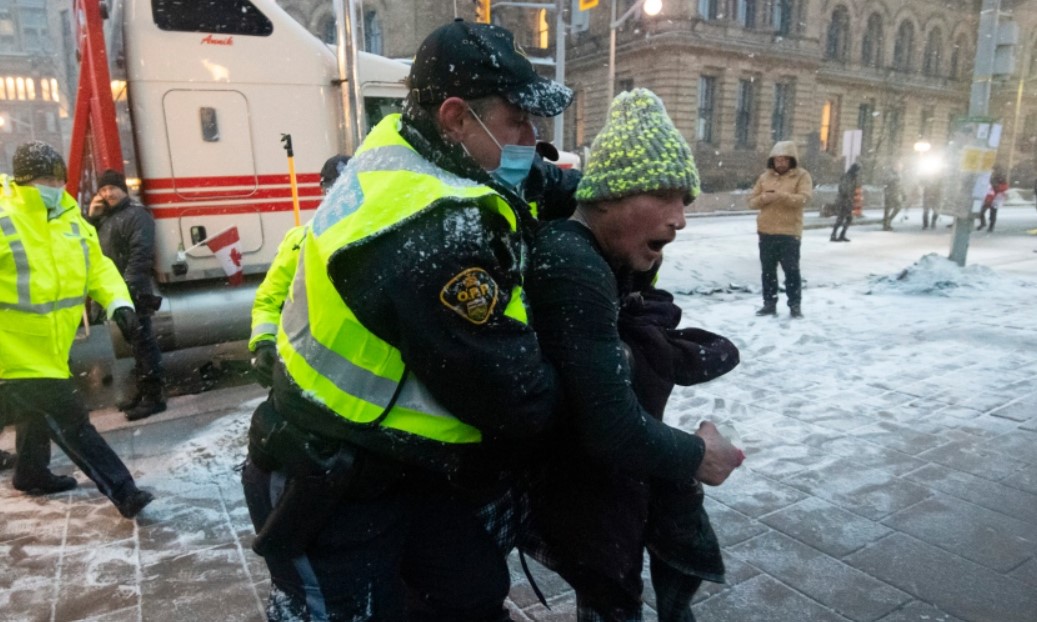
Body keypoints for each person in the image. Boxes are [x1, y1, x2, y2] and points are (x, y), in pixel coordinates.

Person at [240, 19, 572, 621]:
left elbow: (530, 178)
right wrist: (606, 374)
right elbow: (514, 396)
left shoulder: (404, 142)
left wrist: (598, 189)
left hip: (394, 460)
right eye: (519, 118)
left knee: (468, 592)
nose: (533, 135)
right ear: (454, 116)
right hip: (330, 480)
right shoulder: (435, 231)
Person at [520, 88, 744, 622]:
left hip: (594, 482)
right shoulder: (573, 261)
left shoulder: (603, 254)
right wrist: (696, 455)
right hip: (577, 487)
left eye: (685, 202)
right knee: (610, 595)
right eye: (665, 196)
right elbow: (610, 426)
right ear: (608, 196)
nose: (680, 219)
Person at [0, 141, 154, 518]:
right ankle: (125, 492)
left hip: (50, 351)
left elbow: (98, 268)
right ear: (22, 180)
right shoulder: (4, 218)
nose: (53, 184)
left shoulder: (72, 219)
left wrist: (119, 303)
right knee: (71, 423)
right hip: (13, 354)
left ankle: (31, 473)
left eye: (57, 178)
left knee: (35, 414)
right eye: (44, 178)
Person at [249, 155, 350, 387]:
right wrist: (264, 343)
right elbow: (269, 299)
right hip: (309, 376)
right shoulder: (300, 240)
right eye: (333, 189)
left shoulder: (378, 238)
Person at [89, 169, 166, 421]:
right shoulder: (108, 218)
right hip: (121, 294)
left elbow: (140, 254)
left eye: (113, 188)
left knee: (144, 345)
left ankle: (154, 398)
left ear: (124, 189)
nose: (108, 193)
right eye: (103, 189)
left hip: (132, 292)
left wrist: (127, 289)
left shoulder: (136, 215)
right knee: (136, 346)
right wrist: (92, 218)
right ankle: (145, 393)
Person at [748, 140, 813, 318]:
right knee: (768, 271)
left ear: (792, 160)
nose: (780, 163)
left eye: (784, 159)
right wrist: (763, 198)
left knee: (791, 271)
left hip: (789, 233)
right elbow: (751, 202)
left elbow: (805, 199)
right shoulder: (764, 177)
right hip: (766, 231)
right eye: (777, 160)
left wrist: (781, 196)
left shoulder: (802, 176)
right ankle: (769, 304)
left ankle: (794, 305)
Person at [831, 162, 861, 242]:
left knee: (848, 219)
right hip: (843, 201)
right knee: (841, 219)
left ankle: (841, 234)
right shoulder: (847, 177)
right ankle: (833, 235)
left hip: (848, 201)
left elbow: (853, 189)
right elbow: (844, 189)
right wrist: (848, 197)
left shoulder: (853, 178)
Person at [977, 165, 1008, 232]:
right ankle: (984, 224)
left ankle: (990, 226)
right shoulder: (990, 176)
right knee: (982, 212)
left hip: (995, 198)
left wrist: (995, 187)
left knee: (992, 213)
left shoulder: (1000, 178)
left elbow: (1003, 187)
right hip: (989, 197)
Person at [882, 161, 905, 231]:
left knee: (898, 207)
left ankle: (888, 221)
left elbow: (900, 185)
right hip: (889, 193)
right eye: (899, 167)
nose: (900, 168)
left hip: (896, 193)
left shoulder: (899, 174)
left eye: (901, 167)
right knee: (887, 209)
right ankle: (886, 224)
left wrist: (903, 193)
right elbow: (885, 180)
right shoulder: (889, 172)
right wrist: (895, 178)